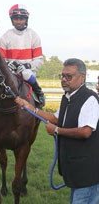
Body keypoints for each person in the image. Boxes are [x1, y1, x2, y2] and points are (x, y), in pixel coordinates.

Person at [15, 58, 99, 204]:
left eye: (69, 76)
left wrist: (57, 131)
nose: (64, 80)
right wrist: (29, 107)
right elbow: (54, 118)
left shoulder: (89, 99)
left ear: (82, 77)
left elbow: (86, 131)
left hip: (87, 173)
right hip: (75, 171)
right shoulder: (67, 97)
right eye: (62, 76)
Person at [0, 4, 45, 107]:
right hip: (10, 71)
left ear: (26, 19)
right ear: (12, 20)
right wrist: (8, 64)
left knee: (27, 74)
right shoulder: (5, 37)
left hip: (28, 71)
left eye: (21, 19)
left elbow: (39, 60)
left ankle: (39, 93)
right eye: (16, 19)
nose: (19, 21)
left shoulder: (33, 35)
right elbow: (1, 60)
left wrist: (27, 66)